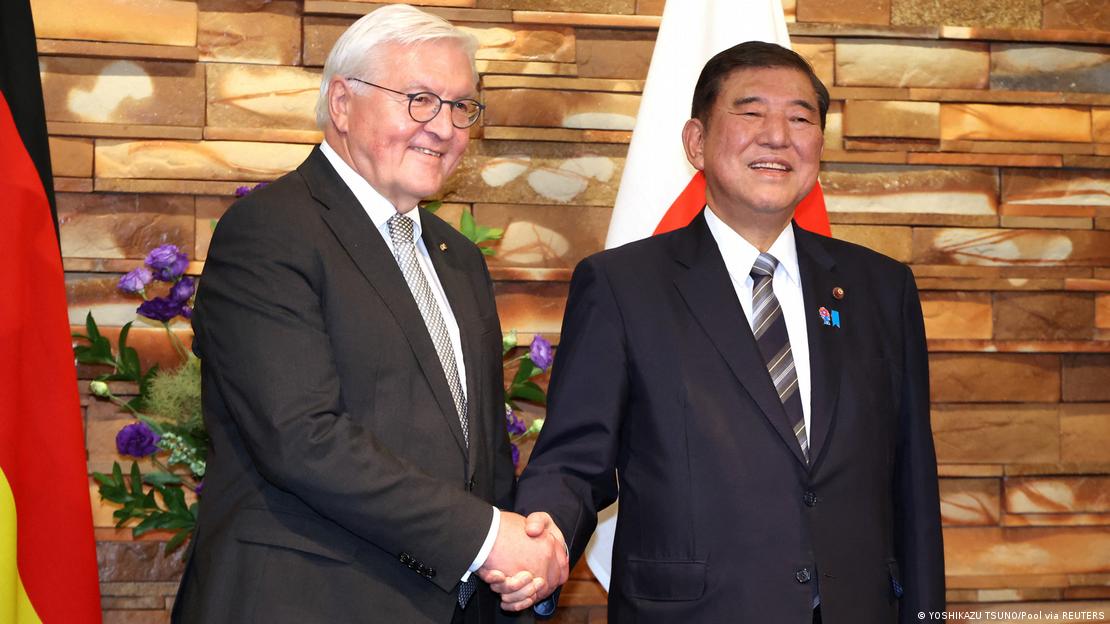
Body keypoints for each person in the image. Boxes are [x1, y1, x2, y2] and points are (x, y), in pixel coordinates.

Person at [500, 41, 946, 622]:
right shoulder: (622, 286)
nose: (777, 136)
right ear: (696, 142)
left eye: (800, 118)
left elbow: (912, 482)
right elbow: (574, 460)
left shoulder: (881, 288)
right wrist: (541, 539)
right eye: (751, 112)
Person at [172, 5, 566, 623]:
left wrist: (519, 561)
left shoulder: (457, 258)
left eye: (461, 107)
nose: (443, 127)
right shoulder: (270, 230)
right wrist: (488, 537)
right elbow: (301, 438)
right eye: (419, 99)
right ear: (342, 104)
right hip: (305, 602)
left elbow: (483, 457)